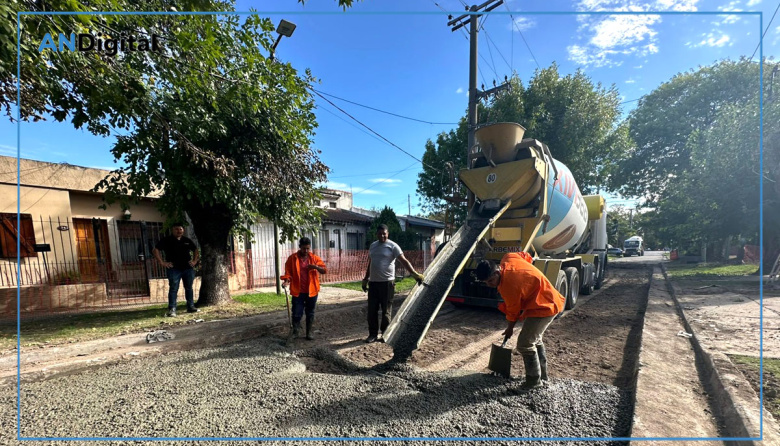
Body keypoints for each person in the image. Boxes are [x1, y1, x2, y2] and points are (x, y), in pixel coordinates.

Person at [475, 253, 565, 389]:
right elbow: (524, 255)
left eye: (490, 281)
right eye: (485, 283)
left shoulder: (509, 285)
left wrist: (510, 328)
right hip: (543, 300)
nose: (489, 285)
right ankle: (543, 376)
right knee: (535, 339)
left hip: (545, 306)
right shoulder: (509, 258)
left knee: (525, 344)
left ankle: (534, 382)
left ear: (497, 272)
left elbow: (513, 311)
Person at [361, 224, 424, 344]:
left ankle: (385, 334)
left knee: (386, 311)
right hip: (373, 284)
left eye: (384, 233)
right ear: (377, 234)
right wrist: (365, 279)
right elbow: (371, 263)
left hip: (387, 284)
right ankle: (372, 334)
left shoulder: (393, 246)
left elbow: (404, 260)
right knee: (372, 310)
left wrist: (414, 274)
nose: (382, 235)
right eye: (380, 233)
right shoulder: (373, 246)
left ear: (387, 234)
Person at [281, 237, 327, 340]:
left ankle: (309, 333)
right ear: (300, 247)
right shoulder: (292, 258)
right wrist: (286, 281)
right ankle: (295, 332)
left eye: (308, 249)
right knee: (297, 312)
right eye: (304, 248)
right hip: (298, 292)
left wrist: (315, 267)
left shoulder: (314, 258)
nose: (306, 251)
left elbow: (324, 270)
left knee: (310, 312)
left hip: (312, 291)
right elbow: (288, 273)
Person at [153, 223, 200, 317]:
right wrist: (162, 262)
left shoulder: (187, 240)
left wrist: (195, 261)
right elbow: (155, 250)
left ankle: (190, 306)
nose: (178, 231)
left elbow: (195, 250)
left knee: (189, 288)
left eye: (180, 229)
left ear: (183, 230)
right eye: (176, 229)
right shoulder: (166, 240)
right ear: (172, 230)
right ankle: (172, 309)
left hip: (187, 268)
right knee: (174, 288)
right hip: (174, 269)